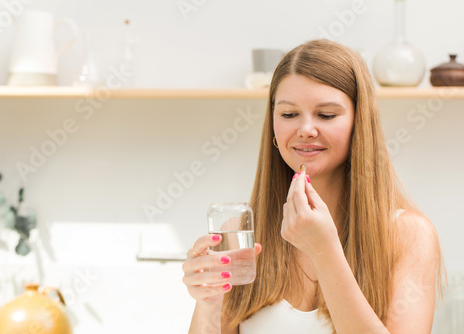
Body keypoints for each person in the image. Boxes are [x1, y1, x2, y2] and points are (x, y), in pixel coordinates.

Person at [182, 39, 445, 334]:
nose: (305, 130)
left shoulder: (409, 236)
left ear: (361, 124)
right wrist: (208, 301)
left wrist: (324, 250)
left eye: (326, 115)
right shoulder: (243, 234)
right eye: (289, 114)